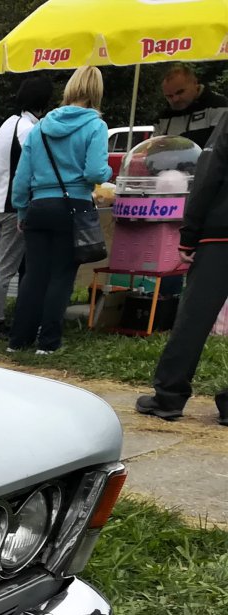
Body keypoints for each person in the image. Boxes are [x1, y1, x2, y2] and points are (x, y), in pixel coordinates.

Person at [7, 65, 112, 355]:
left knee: (34, 275)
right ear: (96, 92)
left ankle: (18, 340)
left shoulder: (40, 127)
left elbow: (21, 178)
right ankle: (48, 342)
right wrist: (108, 169)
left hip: (38, 205)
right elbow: (95, 172)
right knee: (62, 275)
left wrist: (21, 211)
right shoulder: (95, 126)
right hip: (73, 206)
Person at [136, 116, 228, 425]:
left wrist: (190, 232)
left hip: (221, 233)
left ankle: (169, 397)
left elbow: (209, 173)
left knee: (194, 317)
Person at [0, 75, 53, 338]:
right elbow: (32, 169)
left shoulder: (9, 123)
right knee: (7, 267)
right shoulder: (29, 129)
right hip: (13, 206)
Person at [154, 64, 228, 148]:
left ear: (195, 83)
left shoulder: (219, 105)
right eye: (169, 96)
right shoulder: (163, 117)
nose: (175, 99)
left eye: (180, 92)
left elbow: (220, 144)